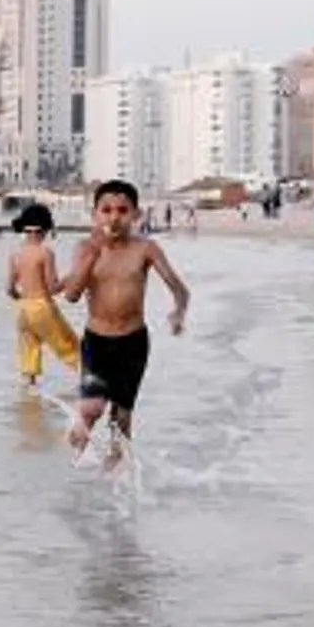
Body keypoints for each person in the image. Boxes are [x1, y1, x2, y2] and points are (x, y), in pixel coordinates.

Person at [60, 180, 191, 458]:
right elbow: (71, 294)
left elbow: (179, 287)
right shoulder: (85, 247)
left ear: (136, 214)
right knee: (92, 410)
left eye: (122, 210)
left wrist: (178, 311)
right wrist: (93, 255)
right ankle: (67, 471)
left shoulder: (146, 248)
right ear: (95, 214)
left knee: (121, 419)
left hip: (133, 343)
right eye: (106, 210)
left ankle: (117, 486)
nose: (114, 217)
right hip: (97, 343)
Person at [5, 203, 80, 386]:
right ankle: (95, 383)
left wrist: (21, 298)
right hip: (42, 307)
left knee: (30, 353)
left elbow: (9, 289)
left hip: (24, 309)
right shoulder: (45, 253)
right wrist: (72, 276)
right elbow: (53, 288)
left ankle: (30, 398)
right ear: (44, 230)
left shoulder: (15, 255)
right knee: (69, 346)